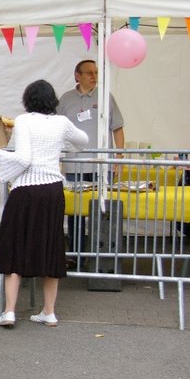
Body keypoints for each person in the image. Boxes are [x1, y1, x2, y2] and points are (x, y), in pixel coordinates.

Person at [0, 80, 89, 328]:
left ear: (28, 99)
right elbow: (83, 140)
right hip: (53, 190)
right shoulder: (62, 123)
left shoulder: (23, 120)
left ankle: (10, 311)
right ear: (52, 100)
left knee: (14, 248)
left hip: (26, 190)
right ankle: (49, 311)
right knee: (51, 247)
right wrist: (63, 145)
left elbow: (23, 159)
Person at [57, 60, 125, 252]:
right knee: (75, 211)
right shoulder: (65, 99)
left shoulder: (106, 97)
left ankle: (102, 253)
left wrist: (119, 157)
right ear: (77, 76)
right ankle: (76, 253)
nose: (94, 76)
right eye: (89, 73)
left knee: (103, 209)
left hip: (102, 164)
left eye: (96, 72)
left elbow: (117, 128)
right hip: (73, 165)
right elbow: (57, 130)